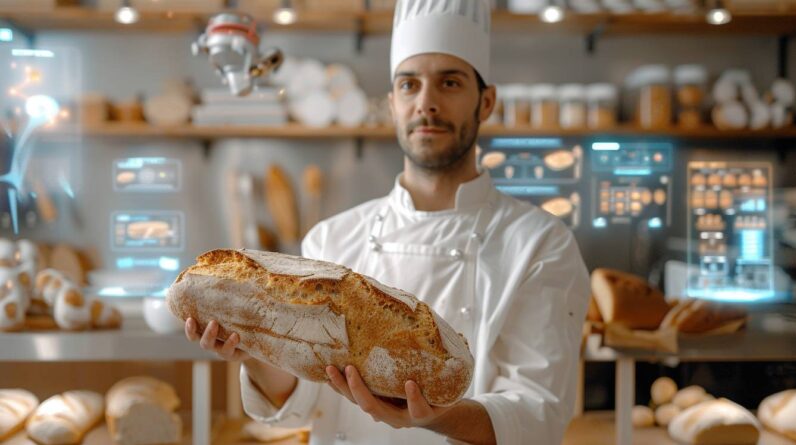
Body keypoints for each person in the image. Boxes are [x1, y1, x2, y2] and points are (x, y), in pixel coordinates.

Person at [185, 0, 590, 443]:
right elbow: (303, 403)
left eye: (449, 83)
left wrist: (431, 418)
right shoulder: (332, 238)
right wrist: (252, 349)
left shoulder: (539, 243)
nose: (427, 103)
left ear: (486, 101)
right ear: (393, 103)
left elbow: (539, 414)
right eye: (409, 85)